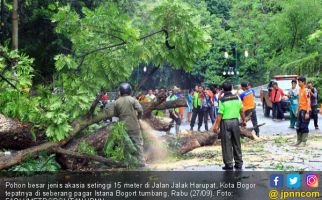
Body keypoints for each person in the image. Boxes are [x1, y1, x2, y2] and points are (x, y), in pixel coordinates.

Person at [212, 82, 246, 170]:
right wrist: (244, 120)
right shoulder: (237, 98)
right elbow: (241, 110)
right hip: (235, 121)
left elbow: (220, 114)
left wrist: (216, 126)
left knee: (226, 143)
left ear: (223, 89)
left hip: (225, 122)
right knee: (236, 142)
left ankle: (229, 164)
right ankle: (239, 163)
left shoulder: (222, 100)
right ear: (231, 88)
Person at [113, 83, 145, 166]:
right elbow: (140, 110)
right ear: (130, 91)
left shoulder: (116, 102)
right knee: (138, 144)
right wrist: (138, 118)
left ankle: (129, 163)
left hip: (123, 128)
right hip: (134, 126)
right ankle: (141, 163)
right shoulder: (133, 100)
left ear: (120, 91)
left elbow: (115, 114)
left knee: (126, 145)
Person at [295, 76, 311, 146]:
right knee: (298, 126)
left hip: (305, 111)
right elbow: (299, 101)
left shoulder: (306, 90)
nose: (298, 83)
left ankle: (304, 141)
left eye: (299, 82)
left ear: (303, 82)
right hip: (300, 110)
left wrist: (307, 112)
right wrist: (297, 110)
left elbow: (308, 101)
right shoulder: (300, 90)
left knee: (304, 126)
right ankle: (299, 140)